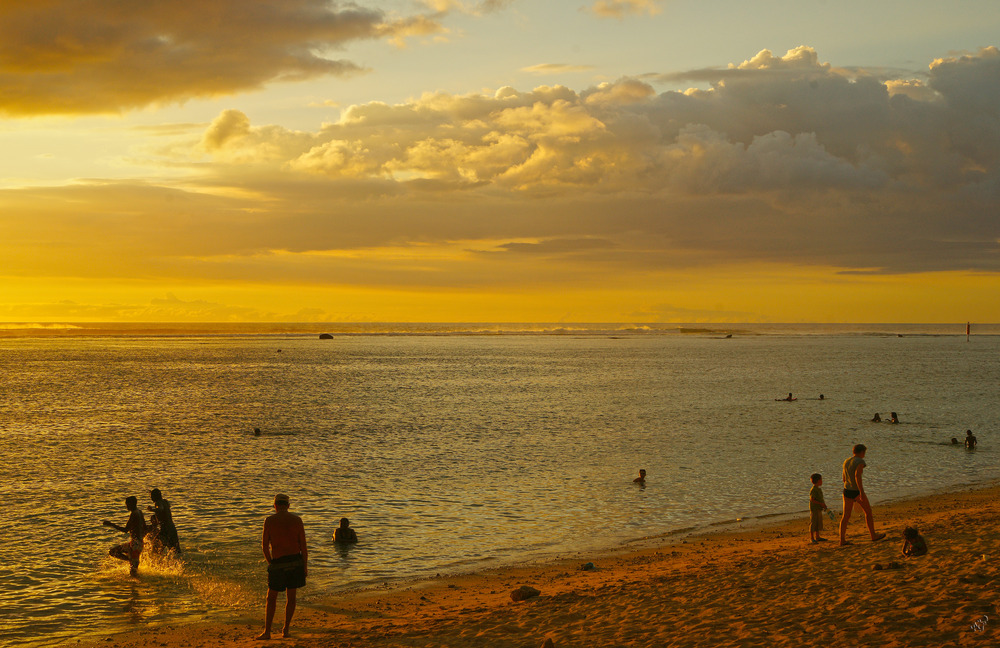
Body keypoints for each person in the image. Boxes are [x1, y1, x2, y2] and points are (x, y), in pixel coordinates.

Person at [257, 494, 307, 640]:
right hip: (295, 561)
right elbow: (303, 546)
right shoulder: (297, 520)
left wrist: (270, 562)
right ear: (288, 505)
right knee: (291, 598)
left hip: (278, 562)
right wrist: (305, 565)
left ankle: (267, 631)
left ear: (275, 506)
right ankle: (286, 629)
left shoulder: (269, 520)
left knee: (271, 598)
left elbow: (265, 546)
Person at [839, 444, 886, 546]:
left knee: (845, 516)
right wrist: (861, 492)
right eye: (864, 452)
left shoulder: (846, 461)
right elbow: (857, 476)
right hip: (856, 491)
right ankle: (873, 535)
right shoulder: (860, 461)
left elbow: (843, 478)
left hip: (846, 490)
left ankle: (842, 540)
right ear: (862, 452)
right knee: (868, 512)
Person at [103, 496, 147, 577]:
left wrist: (111, 524)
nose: (126, 506)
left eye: (127, 504)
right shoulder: (139, 512)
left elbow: (125, 530)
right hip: (135, 543)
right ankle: (130, 559)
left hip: (136, 545)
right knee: (113, 552)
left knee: (133, 573)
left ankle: (136, 587)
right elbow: (145, 527)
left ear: (132, 504)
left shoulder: (134, 514)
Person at [147, 488, 181, 554]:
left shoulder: (158, 503)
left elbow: (160, 509)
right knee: (176, 551)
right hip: (172, 528)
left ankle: (157, 563)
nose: (151, 499)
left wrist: (152, 510)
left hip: (165, 529)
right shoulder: (165, 501)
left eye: (152, 497)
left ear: (155, 496)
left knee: (155, 549)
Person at [808, 473, 828, 543]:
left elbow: (820, 498)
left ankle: (817, 536)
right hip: (814, 509)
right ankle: (812, 538)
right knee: (813, 523)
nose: (822, 481)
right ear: (818, 480)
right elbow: (812, 499)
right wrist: (821, 504)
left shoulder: (818, 489)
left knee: (818, 522)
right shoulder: (813, 489)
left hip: (819, 508)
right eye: (821, 480)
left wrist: (823, 505)